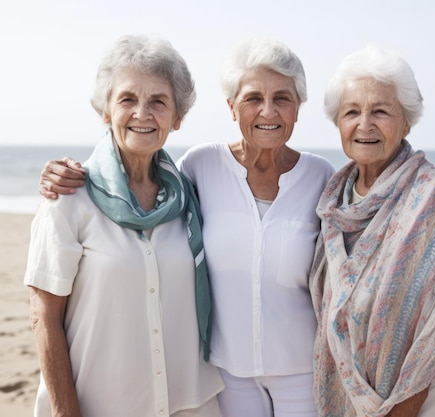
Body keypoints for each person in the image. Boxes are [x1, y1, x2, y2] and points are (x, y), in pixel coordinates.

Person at [38, 37, 335, 417]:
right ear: (231, 107)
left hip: (300, 370)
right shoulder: (200, 166)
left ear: (298, 109)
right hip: (227, 373)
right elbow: (137, 181)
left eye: (282, 98)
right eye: (252, 98)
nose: (268, 110)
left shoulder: (322, 176)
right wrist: (58, 173)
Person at [25, 35, 224, 417]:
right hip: (99, 406)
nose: (142, 113)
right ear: (105, 110)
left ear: (177, 117)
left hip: (191, 403)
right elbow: (43, 317)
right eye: (128, 99)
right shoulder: (68, 198)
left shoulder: (191, 196)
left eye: (159, 102)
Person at [309, 46, 435, 417]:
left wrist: (399, 409)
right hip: (345, 399)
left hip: (416, 401)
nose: (364, 124)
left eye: (380, 111)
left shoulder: (433, 195)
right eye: (351, 112)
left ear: (407, 121)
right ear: (338, 124)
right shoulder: (333, 202)